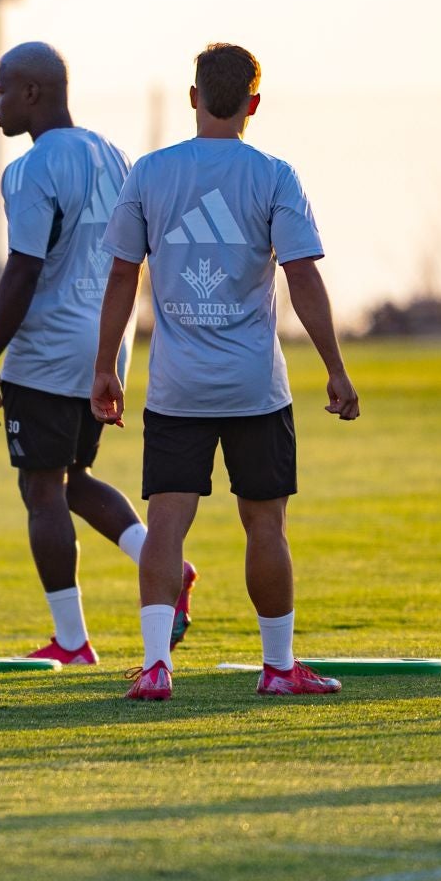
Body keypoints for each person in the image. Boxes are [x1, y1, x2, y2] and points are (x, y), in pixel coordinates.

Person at [94, 43, 358, 702]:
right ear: (253, 103)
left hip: (176, 388)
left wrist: (106, 369)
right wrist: (335, 369)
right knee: (265, 526)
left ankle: (156, 666)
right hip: (254, 387)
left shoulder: (150, 174)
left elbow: (122, 275)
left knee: (165, 524)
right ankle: (278, 669)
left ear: (192, 98)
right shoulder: (274, 175)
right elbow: (304, 278)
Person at [0, 41, 195, 664]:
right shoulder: (113, 153)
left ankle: (72, 642)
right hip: (106, 346)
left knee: (40, 488)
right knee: (72, 480)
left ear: (33, 93)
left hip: (46, 350)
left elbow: (23, 269)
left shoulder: (31, 168)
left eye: (3, 90)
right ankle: (166, 560)